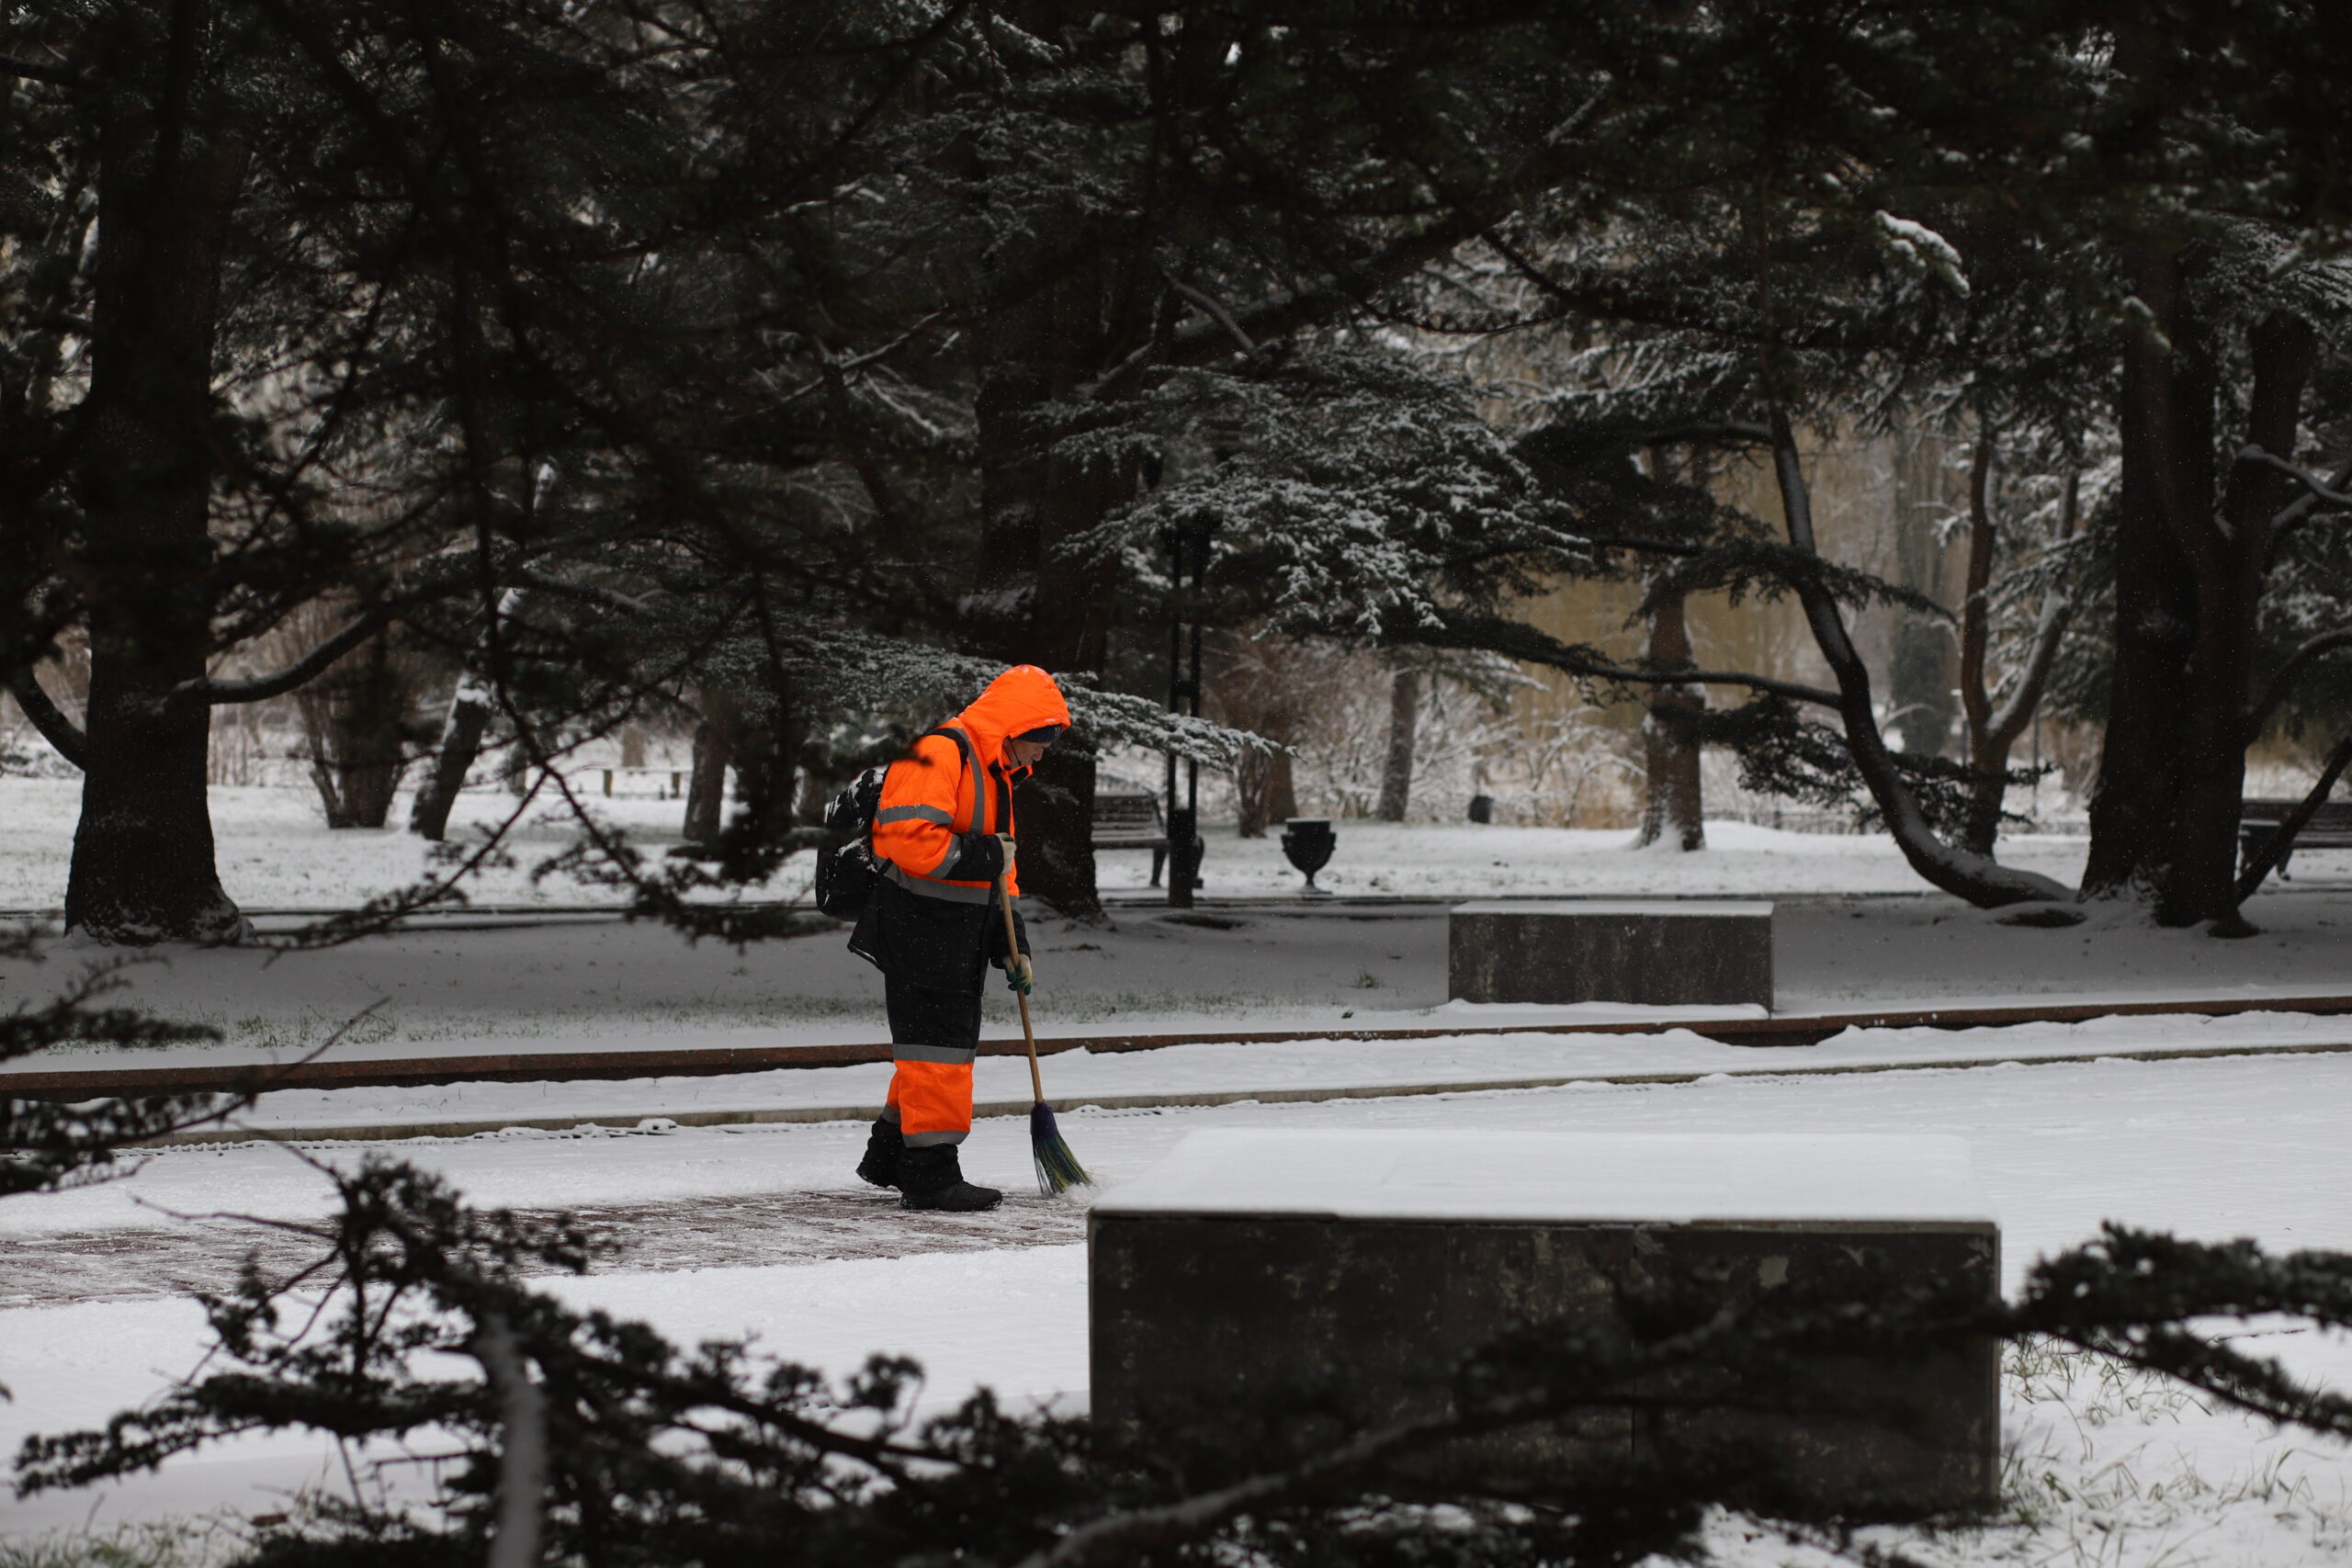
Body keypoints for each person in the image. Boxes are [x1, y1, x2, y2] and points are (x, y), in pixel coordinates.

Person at [849, 664, 1070, 1211]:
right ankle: (929, 1175)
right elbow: (910, 841)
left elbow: (1003, 875)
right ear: (1010, 728)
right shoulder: (941, 752)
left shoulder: (996, 775)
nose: (1039, 757)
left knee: (932, 1050)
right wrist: (988, 854)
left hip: (954, 933)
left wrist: (1011, 941)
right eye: (1036, 743)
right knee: (938, 1055)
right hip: (920, 927)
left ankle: (890, 1157)